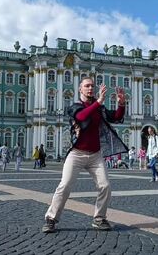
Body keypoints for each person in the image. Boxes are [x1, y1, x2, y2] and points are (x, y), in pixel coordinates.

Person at [42, 77, 127, 233]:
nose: (90, 88)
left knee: (105, 186)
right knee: (65, 185)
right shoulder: (76, 106)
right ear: (80, 89)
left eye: (92, 86)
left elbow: (116, 117)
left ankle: (99, 218)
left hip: (95, 155)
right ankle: (51, 219)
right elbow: (81, 117)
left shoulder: (99, 108)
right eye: (87, 86)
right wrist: (99, 101)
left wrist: (121, 103)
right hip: (77, 154)